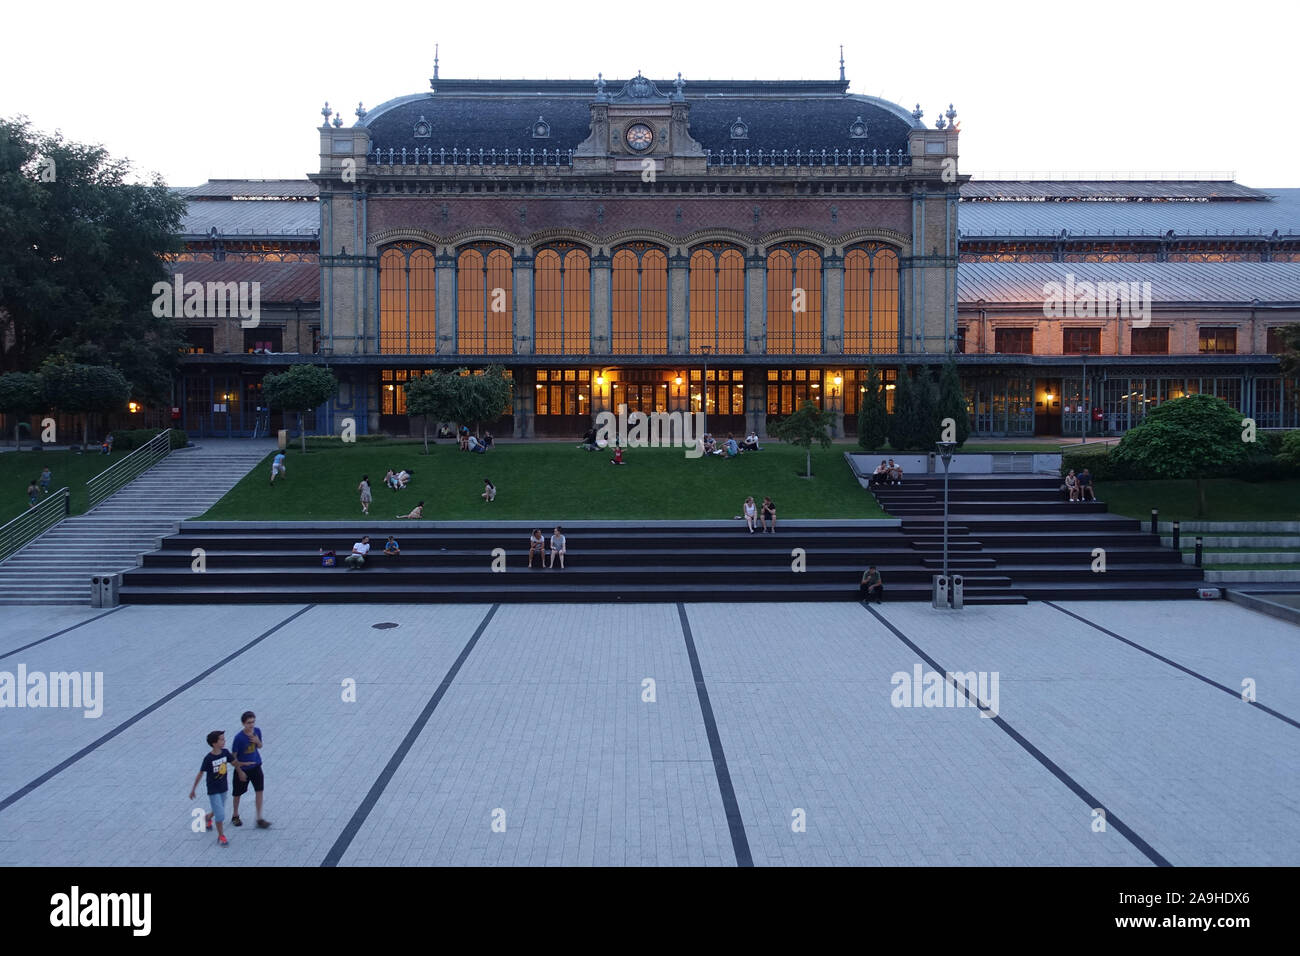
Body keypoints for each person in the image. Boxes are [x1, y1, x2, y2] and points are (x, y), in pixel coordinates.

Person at [189, 730, 236, 847]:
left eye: (224, 739)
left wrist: (241, 770)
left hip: (224, 788)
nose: (224, 741)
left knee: (217, 809)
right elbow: (200, 773)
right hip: (213, 790)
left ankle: (207, 817)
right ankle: (221, 836)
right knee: (220, 814)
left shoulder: (225, 753)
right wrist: (193, 789)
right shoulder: (208, 758)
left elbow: (233, 762)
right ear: (214, 743)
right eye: (221, 739)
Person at [230, 711, 270, 829]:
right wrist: (239, 770)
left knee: (259, 791)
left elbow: (260, 746)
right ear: (243, 724)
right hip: (243, 769)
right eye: (249, 723)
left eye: (253, 722)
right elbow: (233, 756)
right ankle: (235, 815)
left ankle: (259, 818)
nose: (251, 725)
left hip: (256, 766)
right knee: (237, 793)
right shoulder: (239, 738)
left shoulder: (257, 731)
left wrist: (257, 741)